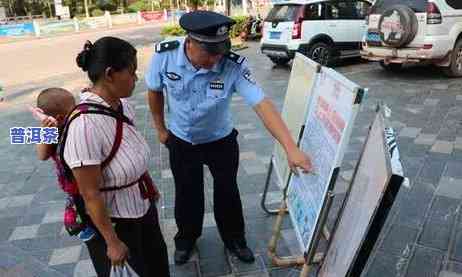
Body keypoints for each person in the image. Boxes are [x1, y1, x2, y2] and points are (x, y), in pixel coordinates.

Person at [145, 11, 313, 265]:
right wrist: (160, 129)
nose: (216, 60)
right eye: (210, 53)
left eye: (220, 51)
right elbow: (154, 91)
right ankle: (186, 239)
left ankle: (235, 239)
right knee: (187, 193)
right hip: (181, 139)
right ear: (190, 42)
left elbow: (262, 104)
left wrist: (291, 148)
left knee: (228, 191)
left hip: (220, 140)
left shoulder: (232, 64)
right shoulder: (164, 56)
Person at [62, 37, 170, 277]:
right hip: (117, 223)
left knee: (158, 266)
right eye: (131, 72)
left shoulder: (121, 105)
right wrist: (111, 242)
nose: (136, 78)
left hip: (142, 207)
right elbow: (90, 193)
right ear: (110, 74)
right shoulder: (85, 126)